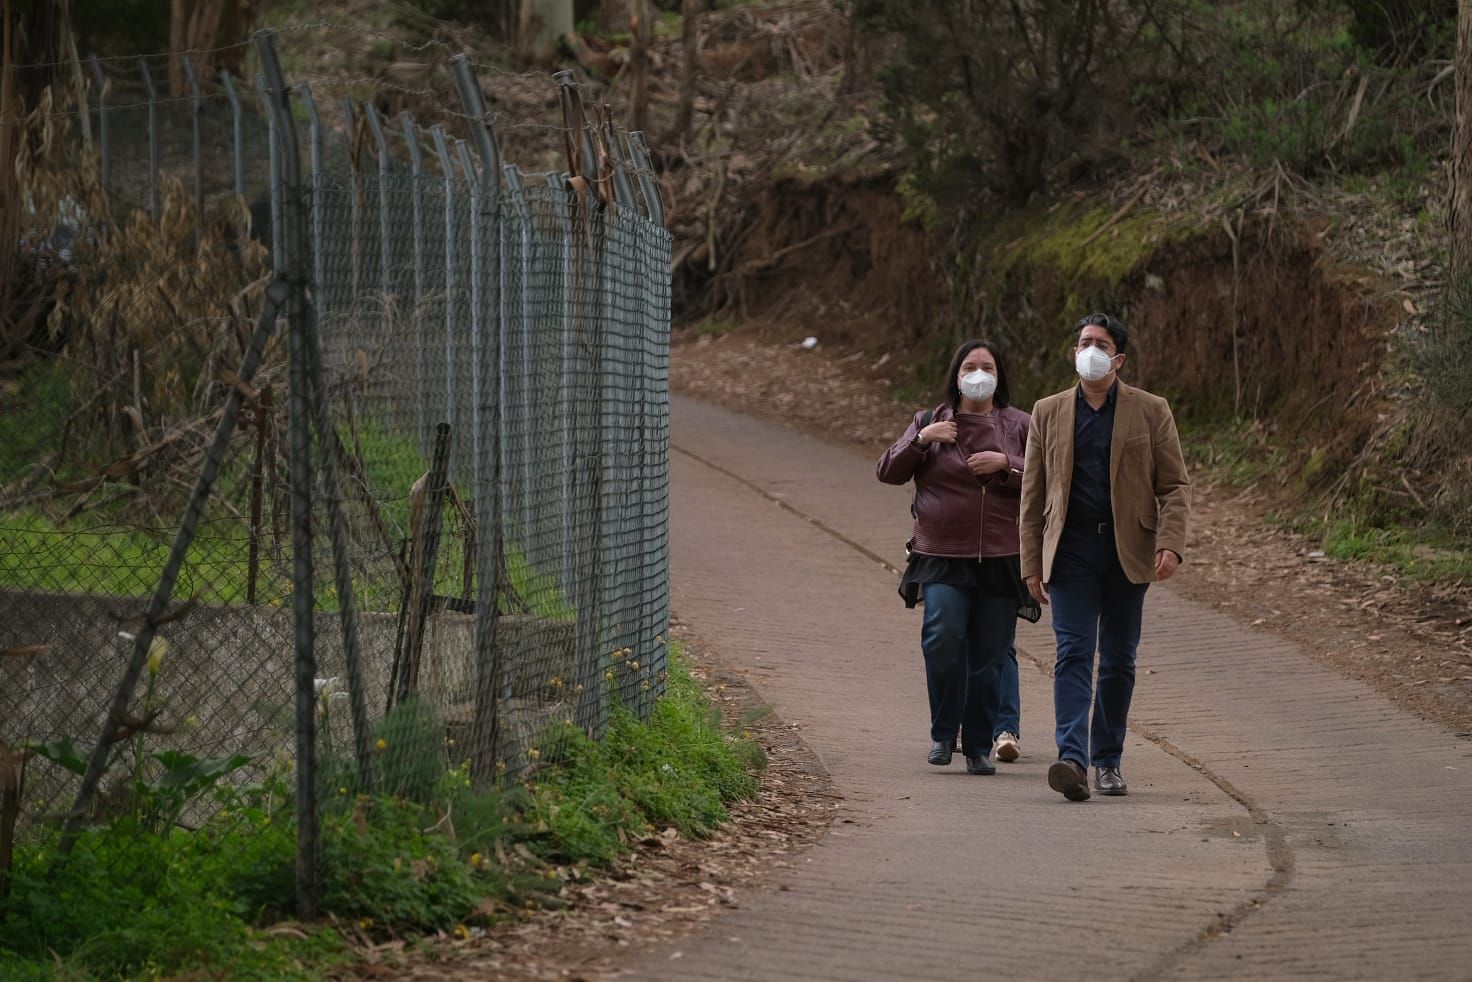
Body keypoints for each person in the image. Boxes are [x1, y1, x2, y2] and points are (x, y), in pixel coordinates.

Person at [1018, 313, 1190, 801]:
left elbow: (1175, 485)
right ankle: (1071, 758)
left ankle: (1107, 760)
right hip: (1070, 551)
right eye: (1083, 342)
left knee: (1118, 660)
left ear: (1118, 358)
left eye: (1100, 343)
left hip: (1126, 551)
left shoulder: (1151, 410)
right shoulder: (1048, 411)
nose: (1089, 349)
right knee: (1073, 653)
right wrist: (1031, 561)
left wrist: (1171, 542)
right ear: (1073, 352)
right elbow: (1031, 495)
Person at [878, 339, 1037, 775]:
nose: (979, 373)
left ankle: (979, 745)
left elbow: (1048, 478)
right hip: (942, 554)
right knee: (943, 637)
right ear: (956, 374)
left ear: (1000, 376)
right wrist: (921, 441)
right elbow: (887, 470)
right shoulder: (929, 421)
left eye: (987, 366)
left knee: (990, 654)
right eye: (970, 365)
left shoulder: (1021, 425)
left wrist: (1006, 464)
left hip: (1002, 555)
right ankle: (943, 734)